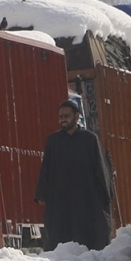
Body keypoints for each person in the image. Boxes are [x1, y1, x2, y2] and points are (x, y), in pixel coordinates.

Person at [35, 98, 113, 250]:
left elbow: (100, 169)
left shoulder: (89, 140)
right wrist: (41, 194)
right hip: (61, 200)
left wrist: (106, 194)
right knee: (60, 236)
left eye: (66, 116)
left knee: (87, 236)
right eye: (60, 117)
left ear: (77, 117)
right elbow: (47, 169)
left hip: (85, 200)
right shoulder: (54, 141)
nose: (63, 120)